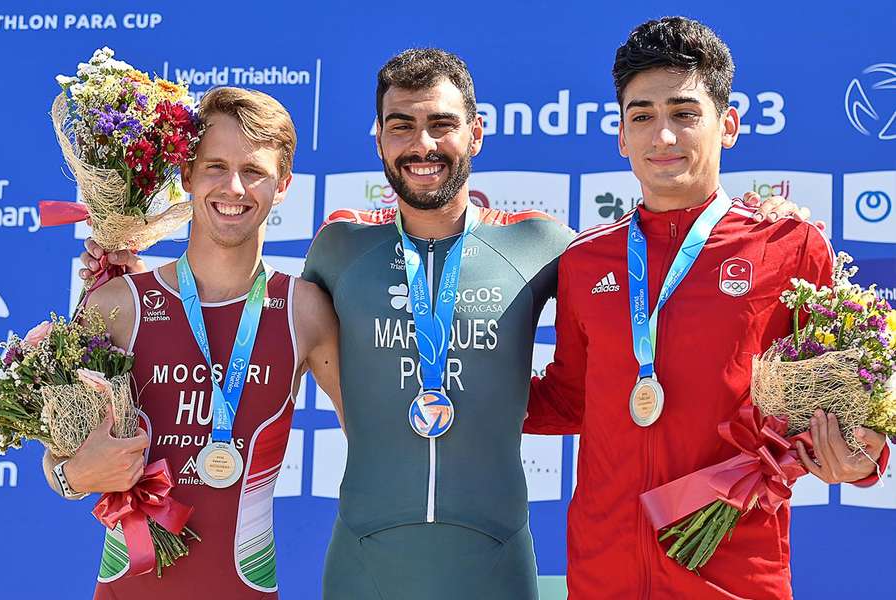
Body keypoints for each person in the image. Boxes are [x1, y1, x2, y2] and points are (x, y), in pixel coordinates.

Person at [78, 52, 806, 599]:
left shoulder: (546, 245)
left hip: (496, 561)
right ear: (378, 140)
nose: (422, 144)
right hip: (365, 560)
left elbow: (649, 296)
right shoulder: (340, 247)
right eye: (403, 126)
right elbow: (231, 300)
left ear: (477, 135)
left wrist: (768, 221)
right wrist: (118, 263)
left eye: (441, 124)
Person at [523, 17, 890, 599]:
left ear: (729, 125)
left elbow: (853, 403)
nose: (662, 136)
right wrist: (454, 392)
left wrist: (864, 455)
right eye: (641, 116)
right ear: (621, 136)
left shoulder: (789, 246)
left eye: (684, 114)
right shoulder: (585, 260)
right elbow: (572, 396)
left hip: (733, 570)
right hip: (603, 572)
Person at [44, 86, 341, 600]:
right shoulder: (119, 303)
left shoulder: (306, 310)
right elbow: (55, 456)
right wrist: (73, 476)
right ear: (185, 176)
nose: (233, 187)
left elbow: (376, 441)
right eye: (214, 166)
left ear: (285, 185)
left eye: (254, 171)